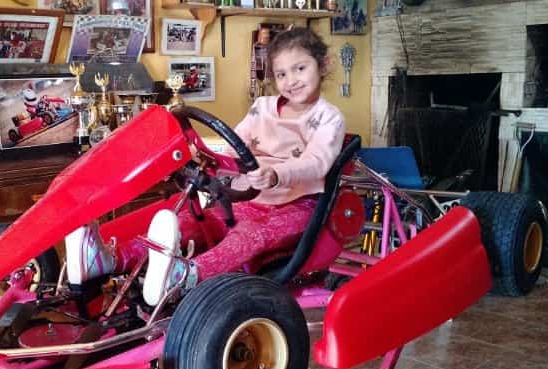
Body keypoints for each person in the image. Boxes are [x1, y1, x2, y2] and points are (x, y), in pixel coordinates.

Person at [71, 27, 345, 306]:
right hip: (251, 199)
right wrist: (202, 158)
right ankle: (110, 259)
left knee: (249, 235)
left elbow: (316, 163)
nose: (291, 80)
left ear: (323, 65)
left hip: (298, 208)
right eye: (282, 74)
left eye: (300, 68)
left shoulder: (328, 118)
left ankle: (186, 276)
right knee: (193, 221)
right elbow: (234, 145)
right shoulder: (262, 107)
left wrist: (276, 174)